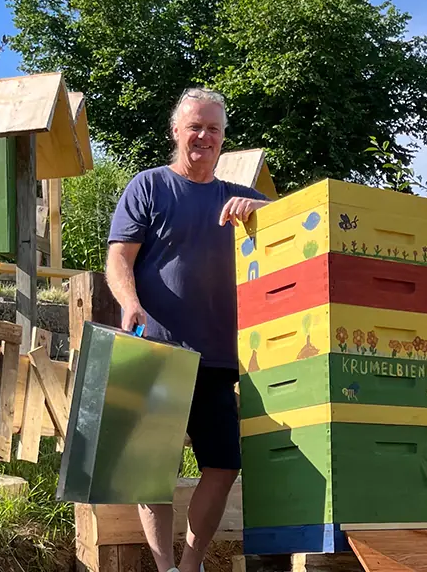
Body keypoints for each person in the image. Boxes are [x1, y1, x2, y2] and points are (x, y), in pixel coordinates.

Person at [106, 87, 270, 572]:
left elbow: (299, 224)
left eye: (213, 129)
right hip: (155, 350)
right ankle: (164, 568)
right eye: (195, 126)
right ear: (176, 131)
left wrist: (260, 212)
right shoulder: (149, 186)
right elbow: (119, 256)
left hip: (218, 356)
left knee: (222, 466)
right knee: (150, 471)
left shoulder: (237, 199)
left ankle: (193, 563)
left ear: (223, 140)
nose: (203, 136)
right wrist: (130, 303)